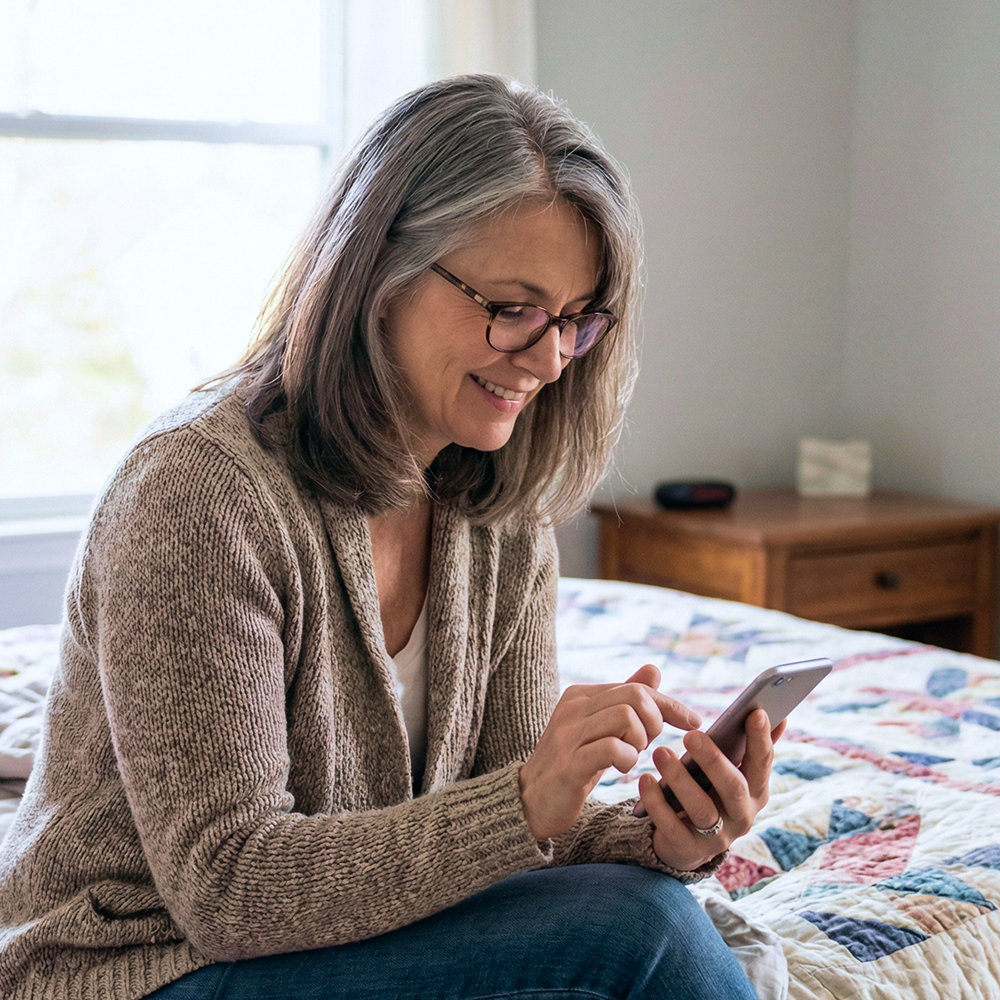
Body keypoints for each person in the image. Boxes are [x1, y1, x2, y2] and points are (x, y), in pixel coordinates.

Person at [0, 74, 782, 1000]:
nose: (546, 360)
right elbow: (229, 889)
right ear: (379, 273)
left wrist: (659, 833)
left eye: (575, 322)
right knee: (644, 938)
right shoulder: (200, 493)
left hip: (348, 938)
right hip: (145, 965)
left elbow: (495, 830)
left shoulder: (498, 506)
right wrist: (528, 803)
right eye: (512, 307)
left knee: (677, 913)